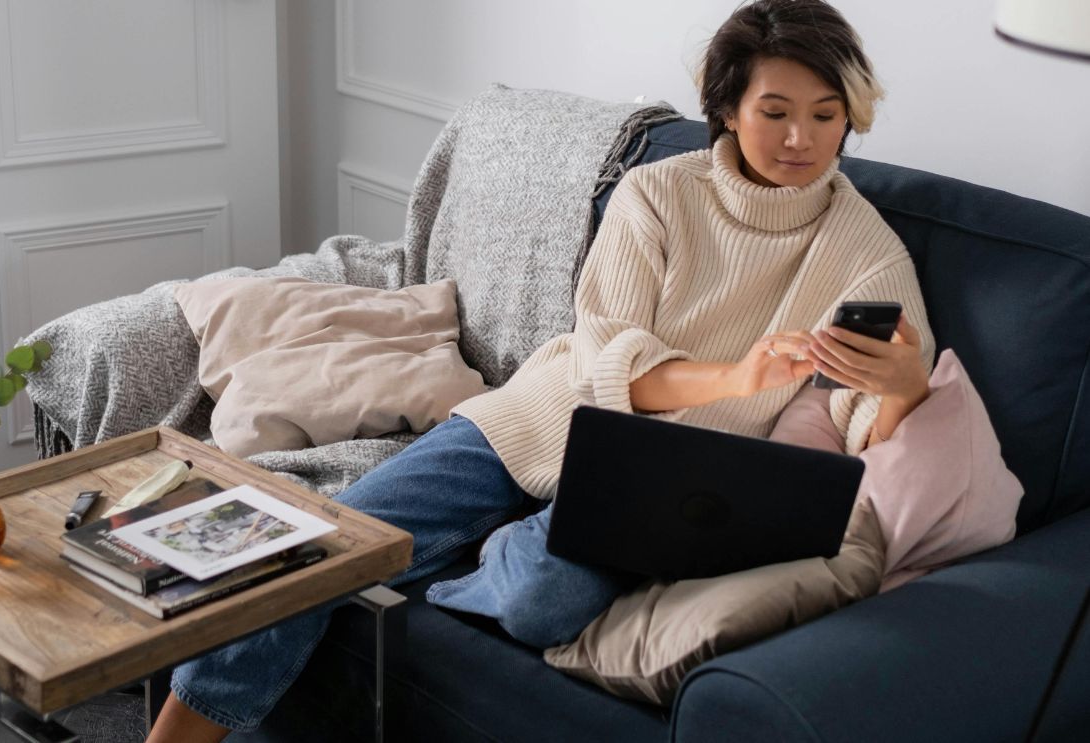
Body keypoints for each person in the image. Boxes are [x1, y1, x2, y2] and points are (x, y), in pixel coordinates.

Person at [146, 0, 934, 738]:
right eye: (776, 113)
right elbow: (604, 354)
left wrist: (899, 391)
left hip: (659, 486)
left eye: (825, 117)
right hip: (539, 419)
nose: (801, 139)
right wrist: (735, 375)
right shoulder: (657, 193)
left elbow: (860, 422)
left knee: (542, 598)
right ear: (728, 108)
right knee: (321, 544)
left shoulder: (863, 249)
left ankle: (479, 554)